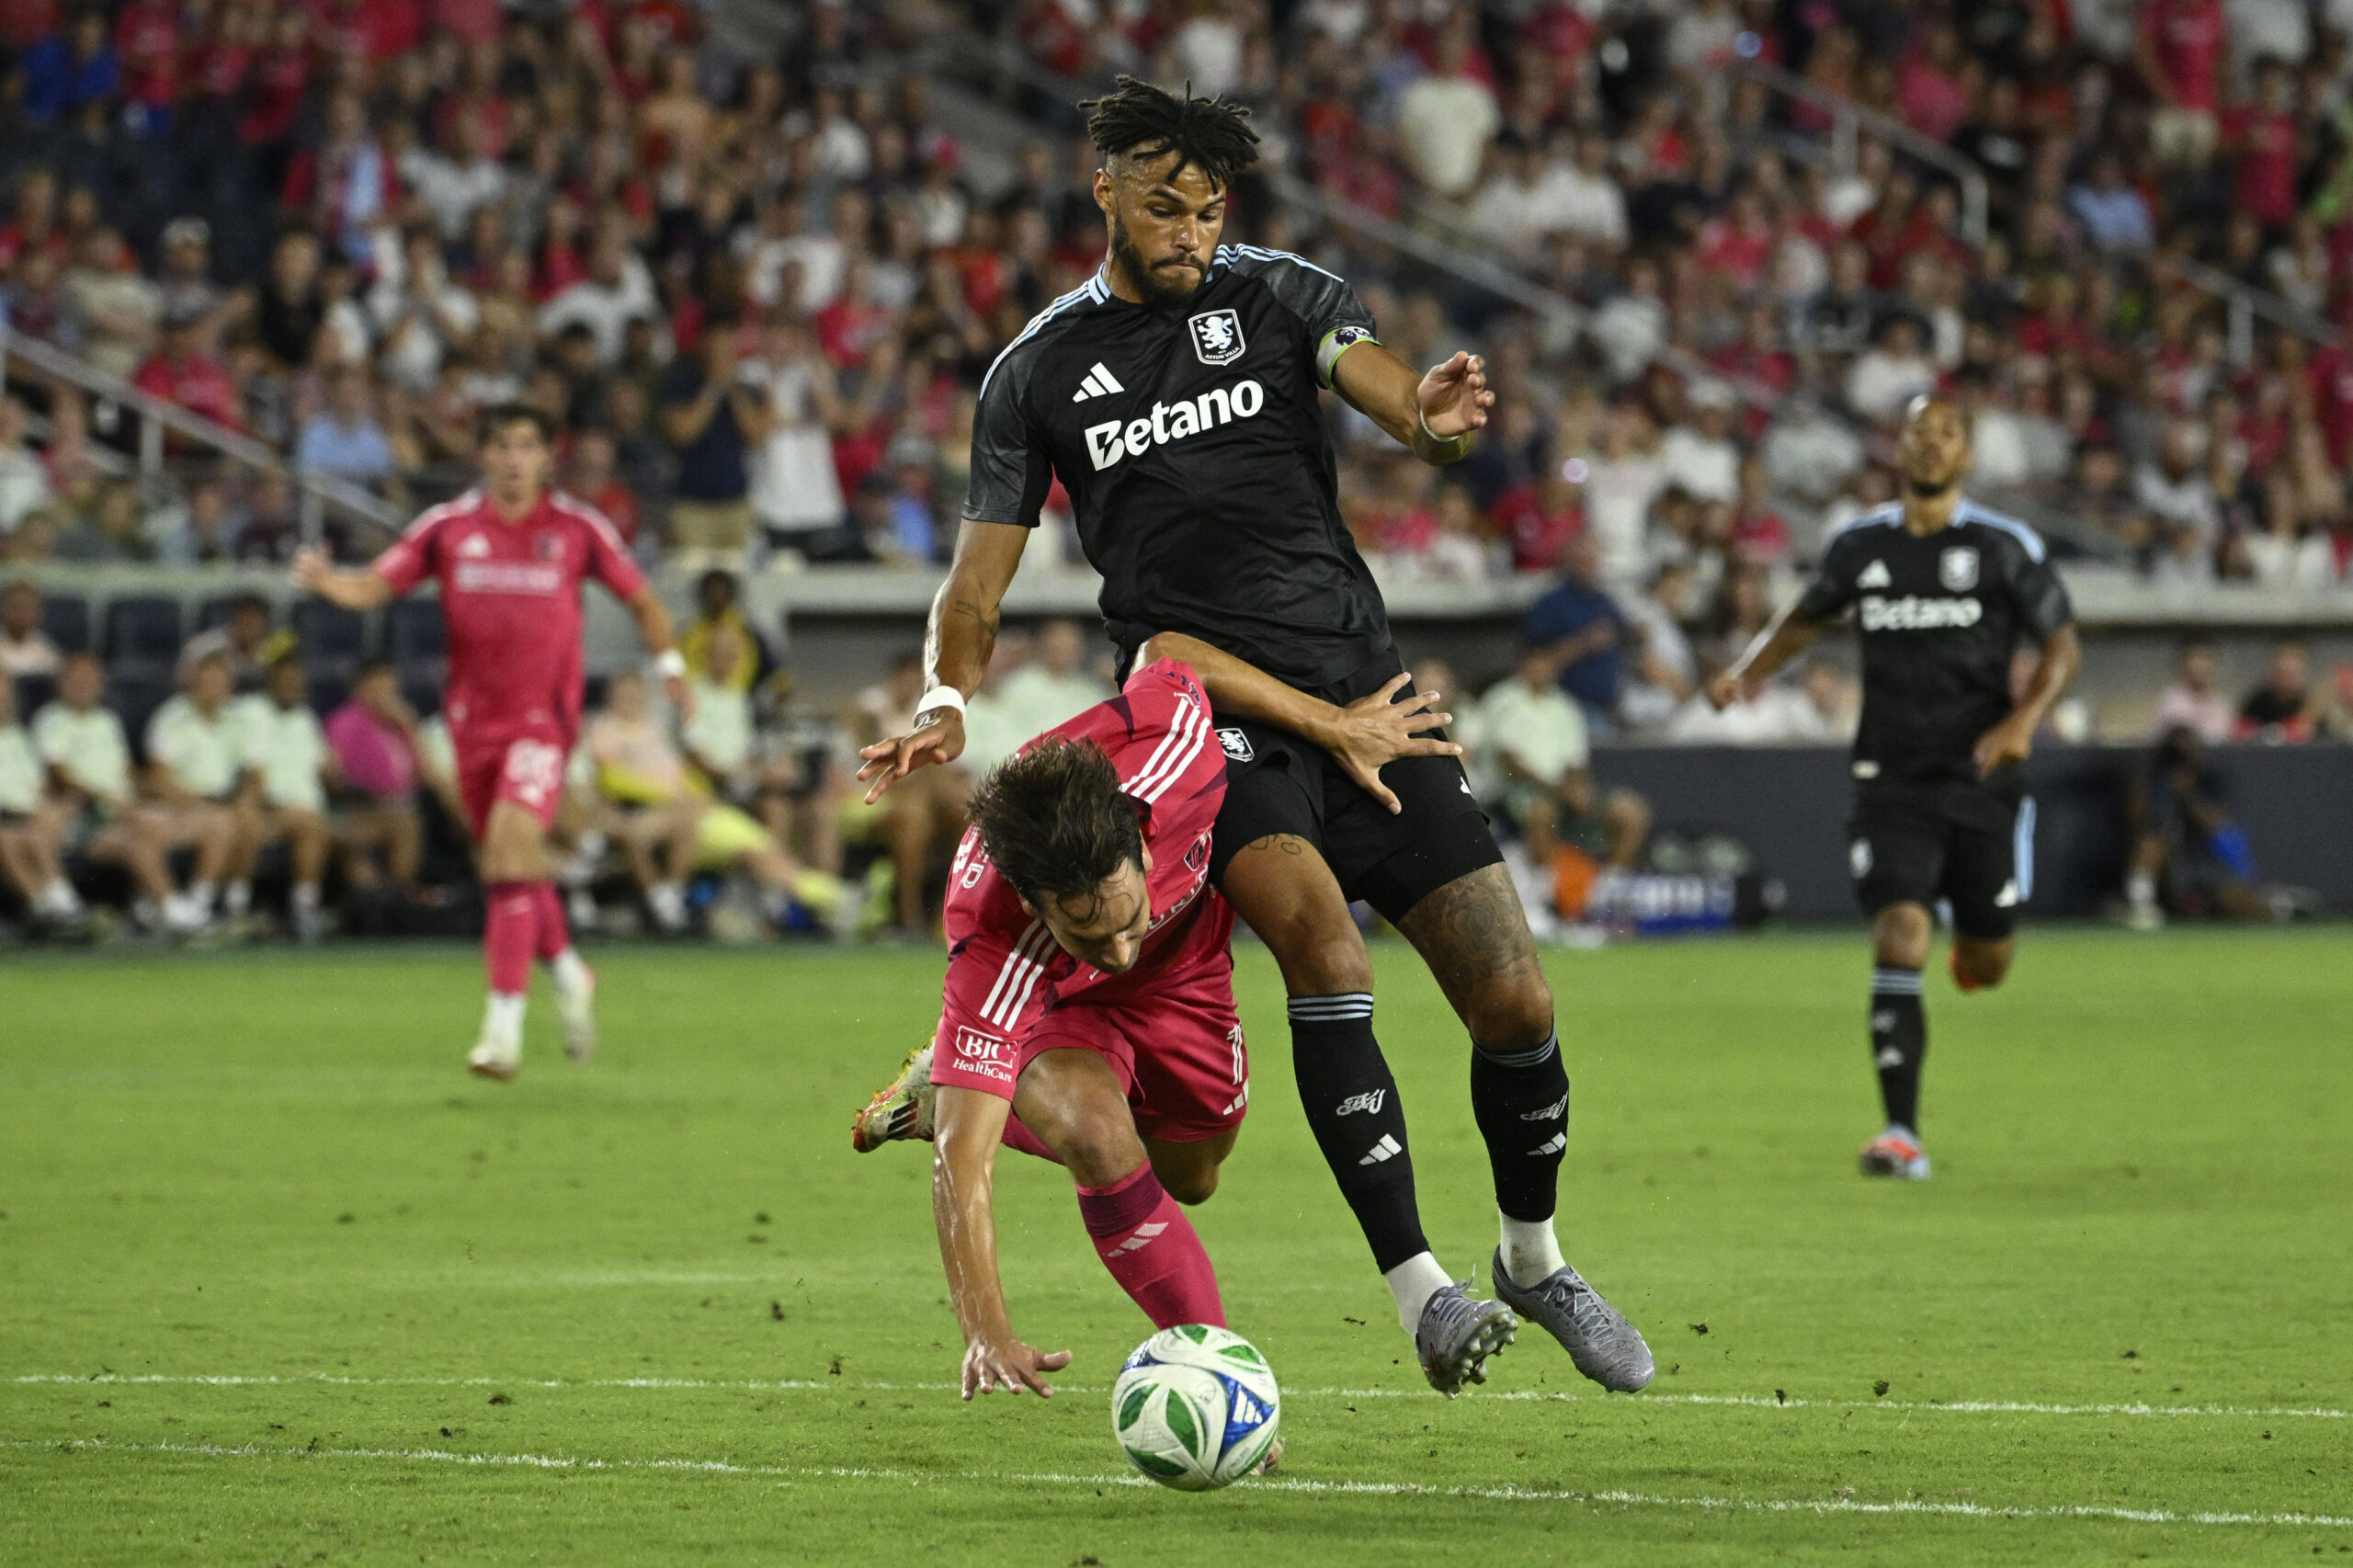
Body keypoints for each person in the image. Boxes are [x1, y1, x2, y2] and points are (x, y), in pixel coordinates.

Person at [858, 77, 1653, 1397]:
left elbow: (1379, 383)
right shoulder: (1037, 372)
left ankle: (1532, 1257)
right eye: (1166, 203)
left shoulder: (1276, 291)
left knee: (1516, 996)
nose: (1191, 227)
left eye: (1210, 205)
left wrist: (1430, 422)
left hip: (1369, 697)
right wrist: (946, 700)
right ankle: (1424, 1294)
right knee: (1325, 949)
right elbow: (976, 591)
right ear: (1101, 185)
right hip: (1213, 722)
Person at [853, 655, 1425, 1409]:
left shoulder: (1175, 746)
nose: (1118, 950)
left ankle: (940, 1092)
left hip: (1188, 979)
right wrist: (987, 1329)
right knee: (1097, 1138)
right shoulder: (989, 943)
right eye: (1089, 936)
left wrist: (1333, 724)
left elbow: (1178, 658)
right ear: (1034, 905)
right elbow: (965, 1164)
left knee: (1193, 1177)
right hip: (1058, 1014)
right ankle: (1224, 1387)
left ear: (1143, 841)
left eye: (1126, 920)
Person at [1708, 396, 2081, 1181]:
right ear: (1899, 449)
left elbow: (2062, 646)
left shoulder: (2002, 545)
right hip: (1892, 780)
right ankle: (1900, 1133)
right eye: (1918, 432)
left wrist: (2024, 720)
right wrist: (1746, 676)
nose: (1931, 444)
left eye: (1947, 432)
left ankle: (1971, 944)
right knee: (1899, 934)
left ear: (1967, 456)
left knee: (1989, 962)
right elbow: (1806, 620)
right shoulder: (1860, 544)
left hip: (1982, 779)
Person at [294, 402, 688, 1080]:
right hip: (473, 727)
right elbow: (377, 585)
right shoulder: (448, 529)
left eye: (526, 446)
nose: (513, 458)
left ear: (545, 457)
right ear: (483, 455)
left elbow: (643, 600)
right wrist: (327, 581)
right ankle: (568, 968)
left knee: (509, 849)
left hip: (543, 723)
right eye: (501, 445)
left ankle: (501, 1030)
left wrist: (672, 668)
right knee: (511, 865)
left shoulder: (575, 529)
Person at [34, 652, 215, 933]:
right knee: (142, 832)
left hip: (122, 812)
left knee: (178, 820)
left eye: (91, 679)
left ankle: (152, 904)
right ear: (62, 683)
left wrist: (154, 792)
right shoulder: (51, 720)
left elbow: (128, 772)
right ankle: (169, 908)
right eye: (77, 679)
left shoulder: (107, 721)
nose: (84, 685)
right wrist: (106, 799)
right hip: (85, 818)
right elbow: (59, 778)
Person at [1473, 645, 1651, 874]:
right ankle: (1546, 890)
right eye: (1536, 663)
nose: (1542, 670)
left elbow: (1576, 762)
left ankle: (1610, 884)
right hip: (1515, 789)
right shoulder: (1502, 699)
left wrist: (1578, 790)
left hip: (1561, 788)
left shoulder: (1565, 705)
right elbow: (1509, 761)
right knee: (1541, 812)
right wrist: (1557, 790)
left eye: (1548, 664)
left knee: (1631, 811)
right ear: (1523, 666)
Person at [230, 653, 332, 942]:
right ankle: (236, 908)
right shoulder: (252, 712)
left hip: (307, 811)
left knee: (312, 822)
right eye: (285, 683)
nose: (292, 689)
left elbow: (329, 776)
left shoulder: (307, 719)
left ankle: (304, 909)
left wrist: (336, 768)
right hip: (268, 807)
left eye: (298, 684)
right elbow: (253, 772)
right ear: (270, 684)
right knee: (252, 815)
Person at [142, 650, 249, 924]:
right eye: (207, 681)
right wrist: (193, 803)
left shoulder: (237, 721)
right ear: (193, 683)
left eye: (220, 682)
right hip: (180, 805)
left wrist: (244, 800)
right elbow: (158, 777)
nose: (213, 689)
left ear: (229, 688)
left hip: (222, 803)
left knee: (245, 819)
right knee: (221, 822)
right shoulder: (172, 717)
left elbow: (254, 771)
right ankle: (198, 903)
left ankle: (232, 904)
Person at [323, 661, 423, 893]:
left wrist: (410, 727)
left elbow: (424, 777)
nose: (387, 691)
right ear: (361, 688)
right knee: (403, 825)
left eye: (390, 685)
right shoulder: (345, 723)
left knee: (408, 822)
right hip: (357, 809)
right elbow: (337, 779)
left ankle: (396, 897)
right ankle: (387, 900)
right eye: (379, 684)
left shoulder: (400, 724)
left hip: (400, 809)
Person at [0, 672, 85, 930]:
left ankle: (51, 910)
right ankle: (61, 909)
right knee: (8, 839)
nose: (3, 697)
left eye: (5, 691)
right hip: (9, 818)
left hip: (33, 817)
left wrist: (56, 805)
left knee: (43, 821)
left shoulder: (19, 736)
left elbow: (38, 786)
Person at [2150, 635, 2234, 743]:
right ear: (2182, 663)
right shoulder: (2172, 704)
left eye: (2207, 657)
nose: (2202, 665)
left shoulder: (2222, 706)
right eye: (2196, 657)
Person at [0, 579, 62, 678]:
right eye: (16, 606)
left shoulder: (47, 652)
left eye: (27, 606)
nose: (21, 612)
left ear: (38, 612)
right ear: (4, 609)